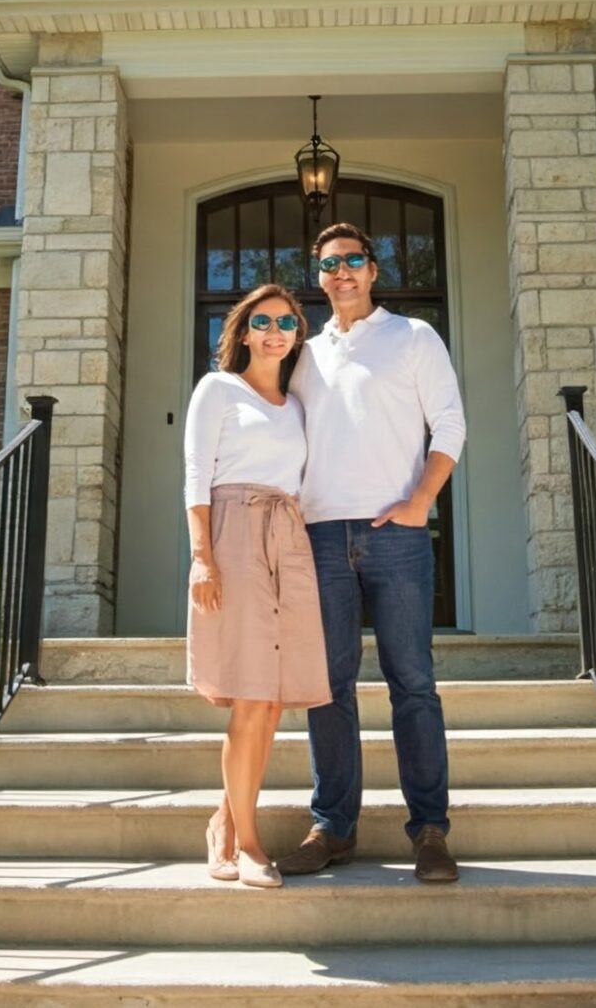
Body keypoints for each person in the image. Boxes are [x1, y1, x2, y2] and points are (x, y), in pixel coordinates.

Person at [273, 221, 468, 885]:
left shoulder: (413, 337)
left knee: (411, 684)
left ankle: (431, 831)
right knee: (327, 690)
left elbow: (450, 424)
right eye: (329, 264)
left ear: (374, 269)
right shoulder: (305, 352)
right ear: (319, 275)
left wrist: (420, 503)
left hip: (397, 537)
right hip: (320, 537)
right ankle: (333, 827)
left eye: (353, 260)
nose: (342, 272)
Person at [184, 283, 329, 888]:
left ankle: (223, 817)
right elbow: (195, 472)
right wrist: (202, 557)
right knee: (249, 693)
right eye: (263, 321)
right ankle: (248, 842)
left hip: (288, 535)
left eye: (288, 322)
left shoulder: (297, 404)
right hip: (234, 532)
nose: (276, 330)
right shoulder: (217, 389)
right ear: (244, 332)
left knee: (272, 700)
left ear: (298, 334)